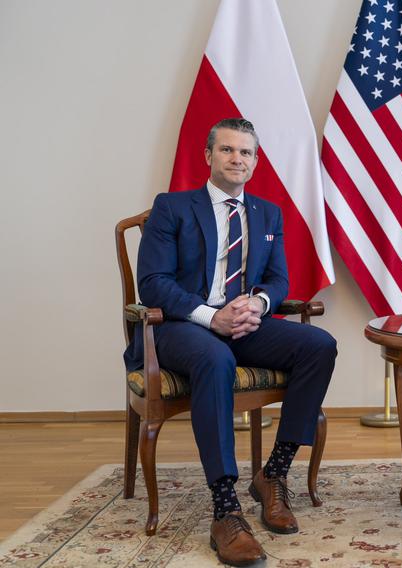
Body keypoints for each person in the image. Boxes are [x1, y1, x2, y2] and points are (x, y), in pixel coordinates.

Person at [124, 118, 337, 567]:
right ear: (208, 155)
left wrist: (258, 305)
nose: (237, 159)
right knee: (216, 359)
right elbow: (153, 283)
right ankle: (225, 507)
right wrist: (211, 316)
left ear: (255, 161)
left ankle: (273, 475)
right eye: (227, 150)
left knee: (319, 345)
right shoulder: (172, 207)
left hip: (244, 321)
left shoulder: (267, 213)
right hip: (183, 325)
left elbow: (279, 279)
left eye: (246, 152)